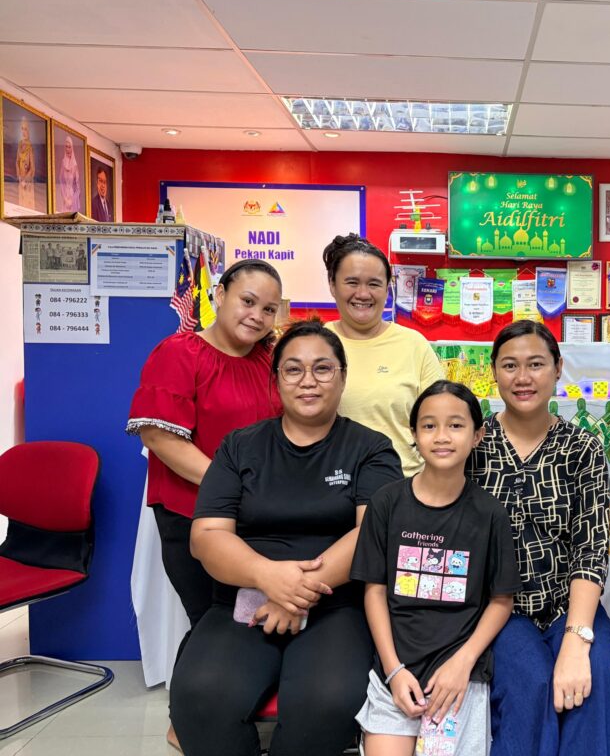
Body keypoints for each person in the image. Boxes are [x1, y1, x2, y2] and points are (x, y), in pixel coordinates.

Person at [170, 319, 403, 756]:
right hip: (243, 601)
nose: (308, 381)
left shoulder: (370, 448)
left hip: (337, 605)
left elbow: (372, 533)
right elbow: (207, 536)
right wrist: (267, 577)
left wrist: (295, 593)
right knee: (201, 697)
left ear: (343, 377)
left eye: (322, 368)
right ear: (276, 379)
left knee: (327, 702)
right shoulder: (239, 446)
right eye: (293, 369)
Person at [126, 259, 284, 752]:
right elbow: (159, 436)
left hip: (254, 515)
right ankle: (188, 720)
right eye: (248, 301)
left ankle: (221, 708)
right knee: (210, 617)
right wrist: (226, 485)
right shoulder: (180, 353)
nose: (257, 316)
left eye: (269, 309)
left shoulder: (268, 359)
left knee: (241, 618)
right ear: (220, 295)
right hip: (190, 513)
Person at [466, 320, 610, 756]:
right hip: (499, 608)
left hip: (566, 602)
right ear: (494, 371)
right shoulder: (473, 445)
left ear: (558, 368)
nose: (523, 377)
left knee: (597, 672)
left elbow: (591, 548)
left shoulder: (582, 448)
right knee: (531, 683)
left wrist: (577, 638)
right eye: (510, 365)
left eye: (536, 364)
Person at [352, 381, 521, 755]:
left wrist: (463, 663)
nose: (442, 436)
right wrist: (394, 671)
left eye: (455, 425)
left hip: (458, 679)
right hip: (396, 675)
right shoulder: (386, 503)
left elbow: (501, 601)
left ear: (477, 435)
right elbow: (374, 591)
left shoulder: (490, 513)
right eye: (429, 425)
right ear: (413, 433)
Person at [324, 233, 444, 476]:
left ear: (388, 288)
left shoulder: (413, 344)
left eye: (374, 284)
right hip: (331, 484)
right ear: (332, 285)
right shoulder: (315, 344)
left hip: (403, 484)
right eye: (352, 282)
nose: (363, 294)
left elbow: (442, 420)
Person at [56, 134, 81, 213]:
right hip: (64, 196)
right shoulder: (63, 162)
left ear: (72, 148)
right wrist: (64, 198)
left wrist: (72, 200)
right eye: (66, 147)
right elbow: (61, 180)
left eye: (69, 147)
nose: (67, 149)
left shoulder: (75, 165)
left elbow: (78, 187)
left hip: (72, 197)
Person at [15, 117, 34, 208]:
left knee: (27, 206)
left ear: (28, 130)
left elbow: (32, 167)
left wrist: (25, 180)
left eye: (25, 129)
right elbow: (17, 161)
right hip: (20, 180)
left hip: (27, 182)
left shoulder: (30, 147)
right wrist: (19, 177)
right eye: (22, 129)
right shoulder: (19, 145)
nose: (23, 132)